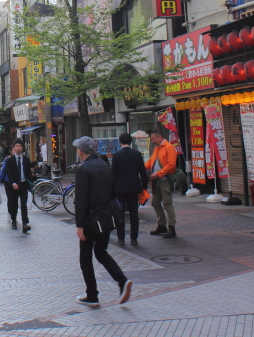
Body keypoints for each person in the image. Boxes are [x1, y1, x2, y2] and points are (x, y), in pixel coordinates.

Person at [73, 136, 132, 306]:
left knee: (85, 258)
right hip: (106, 218)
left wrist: (80, 225)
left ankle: (92, 295)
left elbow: (81, 200)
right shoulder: (104, 165)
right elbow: (112, 192)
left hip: (91, 220)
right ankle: (122, 281)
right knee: (101, 252)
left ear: (80, 151)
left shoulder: (83, 170)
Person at [111, 133, 149, 246]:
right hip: (133, 187)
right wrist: (144, 185)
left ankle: (121, 238)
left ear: (120, 142)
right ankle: (134, 238)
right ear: (131, 142)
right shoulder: (137, 154)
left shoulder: (116, 155)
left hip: (120, 188)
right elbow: (142, 171)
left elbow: (114, 174)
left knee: (120, 213)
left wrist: (112, 189)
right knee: (134, 213)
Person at [145, 128, 178, 239]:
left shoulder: (169, 147)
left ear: (159, 137)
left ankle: (171, 227)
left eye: (153, 138)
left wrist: (159, 174)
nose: (152, 140)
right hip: (156, 181)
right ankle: (162, 225)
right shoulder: (157, 148)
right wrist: (141, 167)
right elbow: (151, 161)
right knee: (155, 202)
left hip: (164, 180)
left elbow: (171, 165)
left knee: (167, 204)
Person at [3, 138, 35, 232]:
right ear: (13, 148)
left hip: (23, 184)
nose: (18, 148)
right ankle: (14, 221)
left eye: (20, 146)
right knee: (14, 204)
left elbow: (28, 173)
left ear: (22, 148)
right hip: (13, 185)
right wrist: (13, 183)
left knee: (24, 204)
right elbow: (8, 173)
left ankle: (25, 223)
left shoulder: (26, 160)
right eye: (16, 146)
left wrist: (31, 183)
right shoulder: (10, 160)